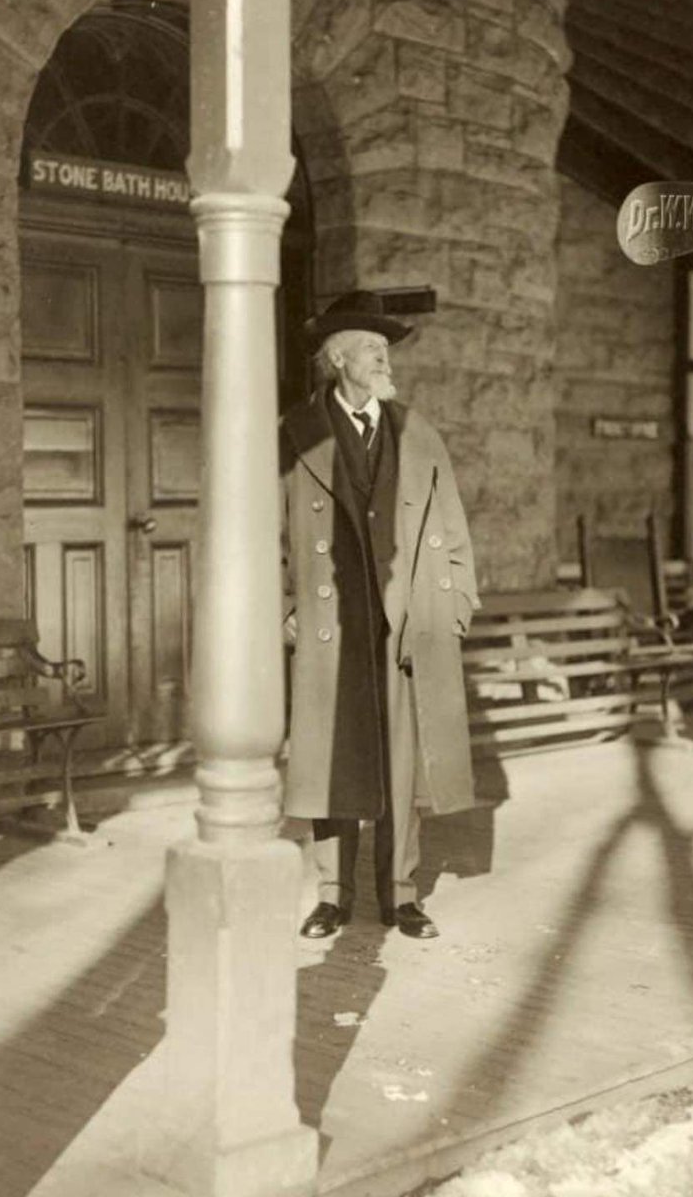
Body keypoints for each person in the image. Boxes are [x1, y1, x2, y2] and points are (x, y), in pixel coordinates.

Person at [279, 290, 479, 939]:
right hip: (329, 620)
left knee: (401, 759)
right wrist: (280, 609)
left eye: (385, 350)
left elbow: (451, 529)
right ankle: (332, 895)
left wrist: (454, 607)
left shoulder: (416, 432)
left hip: (405, 619)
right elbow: (262, 533)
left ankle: (400, 895)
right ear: (338, 359)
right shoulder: (293, 434)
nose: (383, 360)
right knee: (330, 757)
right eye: (371, 349)